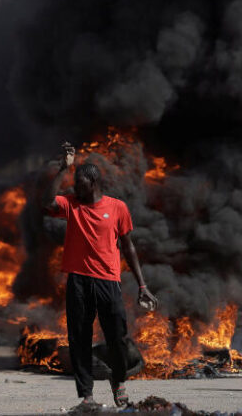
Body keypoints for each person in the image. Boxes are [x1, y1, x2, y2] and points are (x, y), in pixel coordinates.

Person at [44, 143, 158, 410]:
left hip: (108, 281)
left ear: (93, 183)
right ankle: (87, 395)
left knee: (117, 336)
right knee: (79, 338)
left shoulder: (117, 208)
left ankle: (118, 381)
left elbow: (128, 246)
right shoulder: (71, 205)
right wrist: (64, 168)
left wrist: (142, 285)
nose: (75, 188)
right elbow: (47, 202)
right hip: (78, 282)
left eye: (80, 183)